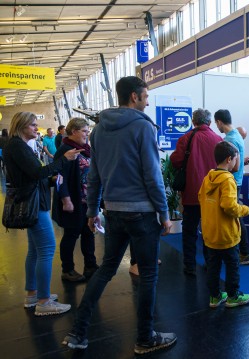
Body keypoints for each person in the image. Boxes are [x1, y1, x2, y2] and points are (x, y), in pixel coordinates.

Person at [62, 76, 177, 354]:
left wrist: (92, 210)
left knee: (105, 270)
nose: (148, 102)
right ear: (135, 97)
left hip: (112, 211)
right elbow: (153, 175)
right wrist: (164, 212)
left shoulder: (99, 130)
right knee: (149, 274)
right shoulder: (142, 127)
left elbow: (96, 175)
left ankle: (77, 332)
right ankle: (145, 338)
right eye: (146, 97)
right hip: (142, 214)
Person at [3, 112, 82, 316]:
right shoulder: (17, 146)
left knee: (35, 251)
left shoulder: (18, 146)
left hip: (33, 200)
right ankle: (44, 301)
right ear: (22, 125)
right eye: (33, 125)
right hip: (34, 204)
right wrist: (63, 160)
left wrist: (50, 178)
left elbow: (31, 176)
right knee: (47, 249)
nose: (36, 129)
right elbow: (37, 173)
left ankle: (33, 294)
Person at [199, 141, 249, 308]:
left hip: (210, 233)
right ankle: (233, 296)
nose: (238, 161)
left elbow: (201, 197)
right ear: (229, 159)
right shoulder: (228, 180)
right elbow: (229, 206)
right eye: (237, 158)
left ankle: (214, 297)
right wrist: (244, 210)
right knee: (232, 265)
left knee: (213, 266)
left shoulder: (208, 177)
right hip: (227, 234)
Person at [170, 108, 222, 276]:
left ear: (193, 121)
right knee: (210, 231)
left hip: (192, 193)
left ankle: (189, 266)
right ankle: (210, 263)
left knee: (189, 231)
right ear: (209, 122)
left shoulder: (186, 138)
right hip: (212, 194)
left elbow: (175, 160)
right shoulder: (218, 139)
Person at [52, 118, 99, 282]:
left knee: (88, 232)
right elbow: (59, 177)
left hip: (87, 201)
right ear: (73, 132)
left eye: (87, 130)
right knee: (71, 235)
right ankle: (67, 269)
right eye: (84, 131)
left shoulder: (86, 149)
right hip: (73, 200)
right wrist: (66, 199)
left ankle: (90, 266)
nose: (87, 134)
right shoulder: (65, 149)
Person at [214, 110, 249, 265]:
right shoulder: (236, 136)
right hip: (235, 181)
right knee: (234, 216)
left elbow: (235, 166)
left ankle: (244, 253)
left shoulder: (230, 139)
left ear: (219, 122)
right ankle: (243, 252)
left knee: (235, 216)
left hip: (232, 182)